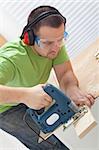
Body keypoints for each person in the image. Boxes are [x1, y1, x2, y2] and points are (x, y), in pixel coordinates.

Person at [0, 5, 95, 150]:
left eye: (61, 39)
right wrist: (24, 96)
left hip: (29, 94)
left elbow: (64, 74)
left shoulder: (54, 44)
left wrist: (72, 89)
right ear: (29, 38)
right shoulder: (10, 59)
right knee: (49, 144)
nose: (56, 47)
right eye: (48, 43)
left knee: (62, 133)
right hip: (4, 109)